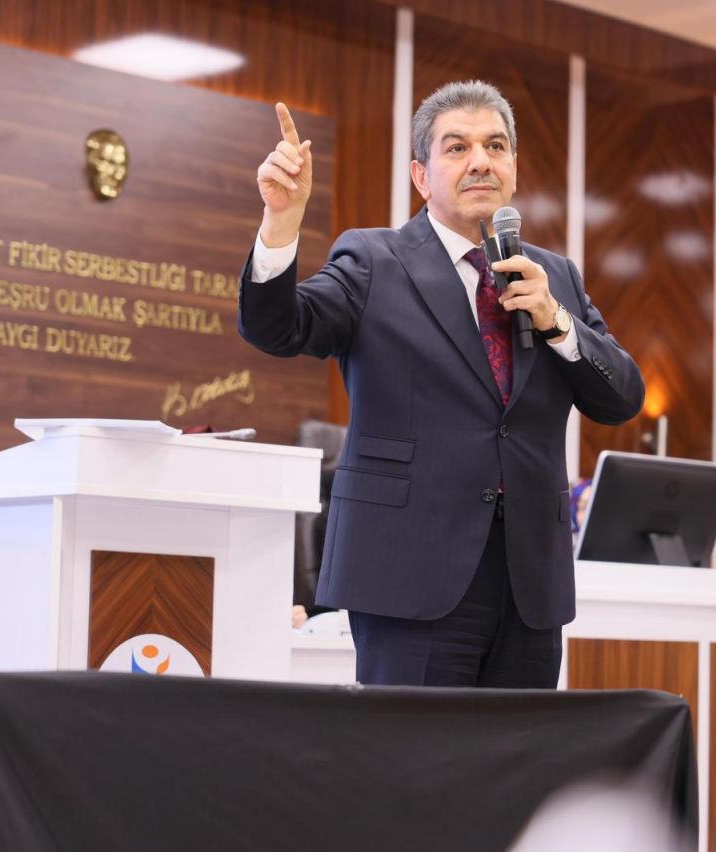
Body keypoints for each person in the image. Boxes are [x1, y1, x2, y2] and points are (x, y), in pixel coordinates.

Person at [239, 80, 644, 688]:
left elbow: (622, 398)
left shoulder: (553, 277)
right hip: (409, 579)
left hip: (529, 588)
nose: (481, 161)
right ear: (421, 177)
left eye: (495, 146)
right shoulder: (373, 261)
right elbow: (278, 328)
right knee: (415, 751)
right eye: (457, 147)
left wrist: (556, 320)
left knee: (519, 751)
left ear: (513, 168)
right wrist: (280, 224)